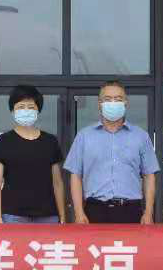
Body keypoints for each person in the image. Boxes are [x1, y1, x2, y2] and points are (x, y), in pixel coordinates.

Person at [65, 81, 158, 224]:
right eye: (107, 99)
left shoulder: (141, 136)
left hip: (131, 210)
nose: (113, 103)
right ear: (99, 104)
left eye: (118, 99)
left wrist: (148, 212)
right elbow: (75, 175)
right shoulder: (84, 136)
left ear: (126, 103)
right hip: (94, 210)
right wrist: (78, 212)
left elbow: (149, 175)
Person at [0, 85, 65, 225]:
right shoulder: (2, 141)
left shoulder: (50, 141)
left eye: (31, 107)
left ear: (38, 110)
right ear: (12, 111)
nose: (26, 111)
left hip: (48, 216)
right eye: (21, 107)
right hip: (13, 216)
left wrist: (62, 216)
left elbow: (57, 182)